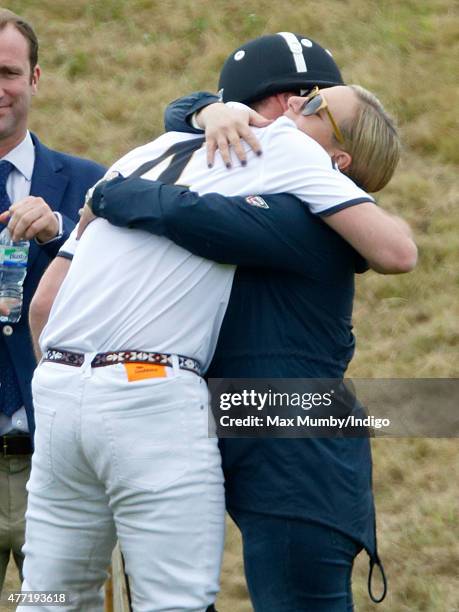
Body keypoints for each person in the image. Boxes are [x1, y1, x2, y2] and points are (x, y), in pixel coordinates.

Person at [26, 58, 413, 612]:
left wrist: (118, 194)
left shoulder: (143, 155)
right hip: (153, 395)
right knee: (174, 601)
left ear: (337, 160)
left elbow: (45, 304)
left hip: (62, 388)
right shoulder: (269, 151)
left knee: (49, 596)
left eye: (313, 104)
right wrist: (207, 110)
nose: (293, 103)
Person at [0, 8, 105, 590]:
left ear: (35, 79)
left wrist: (62, 231)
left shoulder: (95, 185)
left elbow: (129, 296)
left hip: (61, 466)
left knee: (64, 607)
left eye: (9, 72)